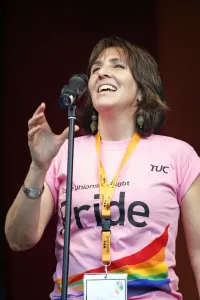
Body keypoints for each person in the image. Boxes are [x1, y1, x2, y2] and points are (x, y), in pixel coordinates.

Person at [5, 36, 200, 300]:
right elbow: (18, 239)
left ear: (143, 90)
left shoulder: (178, 155)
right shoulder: (64, 153)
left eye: (117, 66)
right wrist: (39, 166)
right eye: (95, 69)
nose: (102, 73)